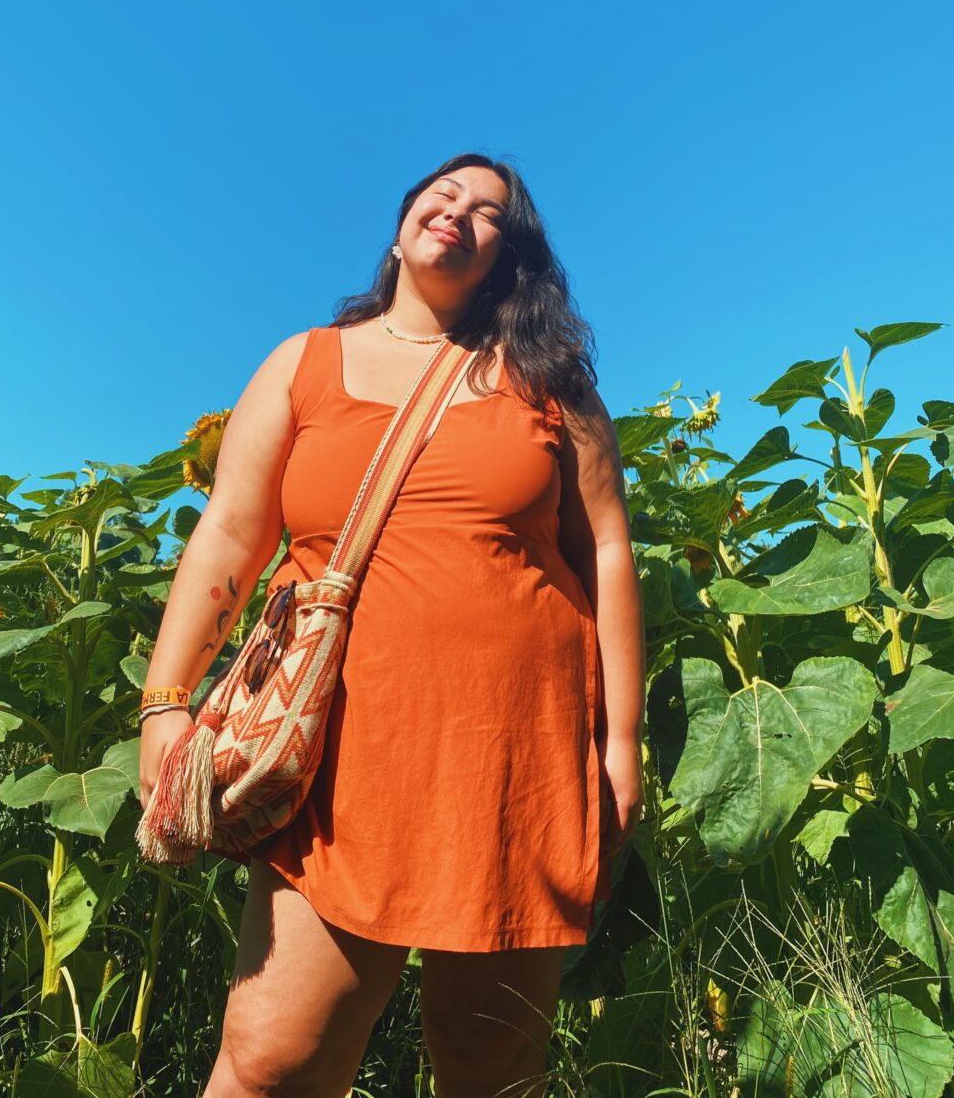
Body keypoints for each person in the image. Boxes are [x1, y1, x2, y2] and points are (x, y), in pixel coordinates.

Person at [139, 152, 645, 1098]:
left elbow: (608, 554)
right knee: (273, 1055)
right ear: (406, 218)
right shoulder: (304, 363)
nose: (459, 211)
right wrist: (165, 703)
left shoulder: (550, 385)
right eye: (444, 192)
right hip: (340, 750)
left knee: (490, 1061)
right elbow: (229, 538)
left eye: (489, 211)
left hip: (515, 754)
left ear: (511, 255)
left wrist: (620, 741)